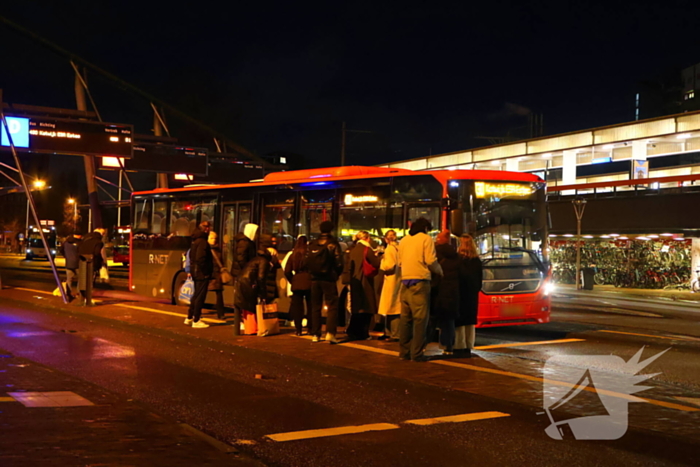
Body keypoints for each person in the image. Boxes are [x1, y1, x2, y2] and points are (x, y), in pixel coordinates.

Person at [397, 218, 443, 362]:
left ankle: (404, 352)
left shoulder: (404, 240)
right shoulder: (426, 239)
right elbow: (430, 260)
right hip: (420, 282)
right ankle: (416, 354)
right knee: (420, 320)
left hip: (405, 283)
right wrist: (440, 271)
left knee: (405, 320)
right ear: (425, 228)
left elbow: (399, 262)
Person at [306, 220, 343, 343]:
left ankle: (315, 334)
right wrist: (335, 274)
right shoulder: (333, 243)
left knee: (315, 306)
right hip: (328, 278)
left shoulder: (313, 243)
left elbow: (307, 261)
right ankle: (330, 333)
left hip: (315, 279)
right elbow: (339, 263)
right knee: (332, 306)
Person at [344, 231, 382, 341]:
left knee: (357, 307)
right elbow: (375, 263)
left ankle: (353, 331)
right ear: (367, 238)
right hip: (365, 281)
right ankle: (362, 332)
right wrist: (379, 256)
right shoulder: (367, 249)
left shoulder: (353, 249)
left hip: (355, 281)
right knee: (367, 307)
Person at [431, 230, 461, 356]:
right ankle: (448, 346)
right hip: (451, 291)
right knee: (448, 321)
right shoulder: (456, 255)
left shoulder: (435, 254)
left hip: (437, 291)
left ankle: (423, 345)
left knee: (430, 319)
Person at [456, 234, 483, 357]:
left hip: (460, 292)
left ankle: (459, 345)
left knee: (460, 320)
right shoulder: (476, 261)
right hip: (472, 294)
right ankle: (468, 345)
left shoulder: (458, 259)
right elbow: (479, 280)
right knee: (470, 321)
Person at [233, 248, 273, 328]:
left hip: (243, 282)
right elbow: (261, 278)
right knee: (251, 306)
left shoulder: (256, 259)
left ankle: (248, 325)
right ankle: (252, 327)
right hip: (249, 284)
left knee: (247, 306)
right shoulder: (264, 261)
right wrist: (263, 294)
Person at [185, 221, 213, 329]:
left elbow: (192, 257)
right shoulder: (202, 242)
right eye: (209, 228)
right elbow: (201, 258)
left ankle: (189, 317)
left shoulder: (195, 240)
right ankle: (196, 319)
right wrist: (206, 271)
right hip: (201, 273)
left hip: (196, 272)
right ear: (205, 229)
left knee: (196, 295)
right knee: (200, 296)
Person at [284, 236, 312, 336]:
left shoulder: (293, 255)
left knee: (297, 307)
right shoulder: (309, 254)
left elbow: (287, 271)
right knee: (311, 306)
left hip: (296, 282)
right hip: (309, 282)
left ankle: (298, 329)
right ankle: (310, 328)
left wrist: (293, 280)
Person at [377, 230, 401, 341]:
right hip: (397, 279)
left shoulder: (390, 249)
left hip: (391, 280)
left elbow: (389, 266)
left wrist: (381, 261)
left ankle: (393, 333)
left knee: (391, 306)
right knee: (393, 306)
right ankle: (389, 332)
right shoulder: (399, 247)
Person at [77, 228, 105, 303]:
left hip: (82, 261)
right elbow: (96, 253)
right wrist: (101, 262)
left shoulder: (85, 239)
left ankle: (82, 297)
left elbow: (78, 249)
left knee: (83, 280)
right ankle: (88, 299)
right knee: (90, 281)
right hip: (92, 263)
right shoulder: (99, 242)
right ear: (101, 234)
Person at [208, 231, 226, 320]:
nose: (213, 240)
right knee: (201, 294)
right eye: (211, 238)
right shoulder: (205, 249)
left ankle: (221, 313)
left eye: (215, 238)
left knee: (219, 294)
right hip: (209, 274)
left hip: (216, 274)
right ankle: (195, 313)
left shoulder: (217, 249)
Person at [60, 234, 81, 299]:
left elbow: (61, 250)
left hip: (68, 263)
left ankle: (68, 293)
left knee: (69, 279)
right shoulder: (79, 242)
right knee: (81, 279)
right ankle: (79, 293)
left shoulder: (65, 243)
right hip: (78, 263)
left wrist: (66, 256)